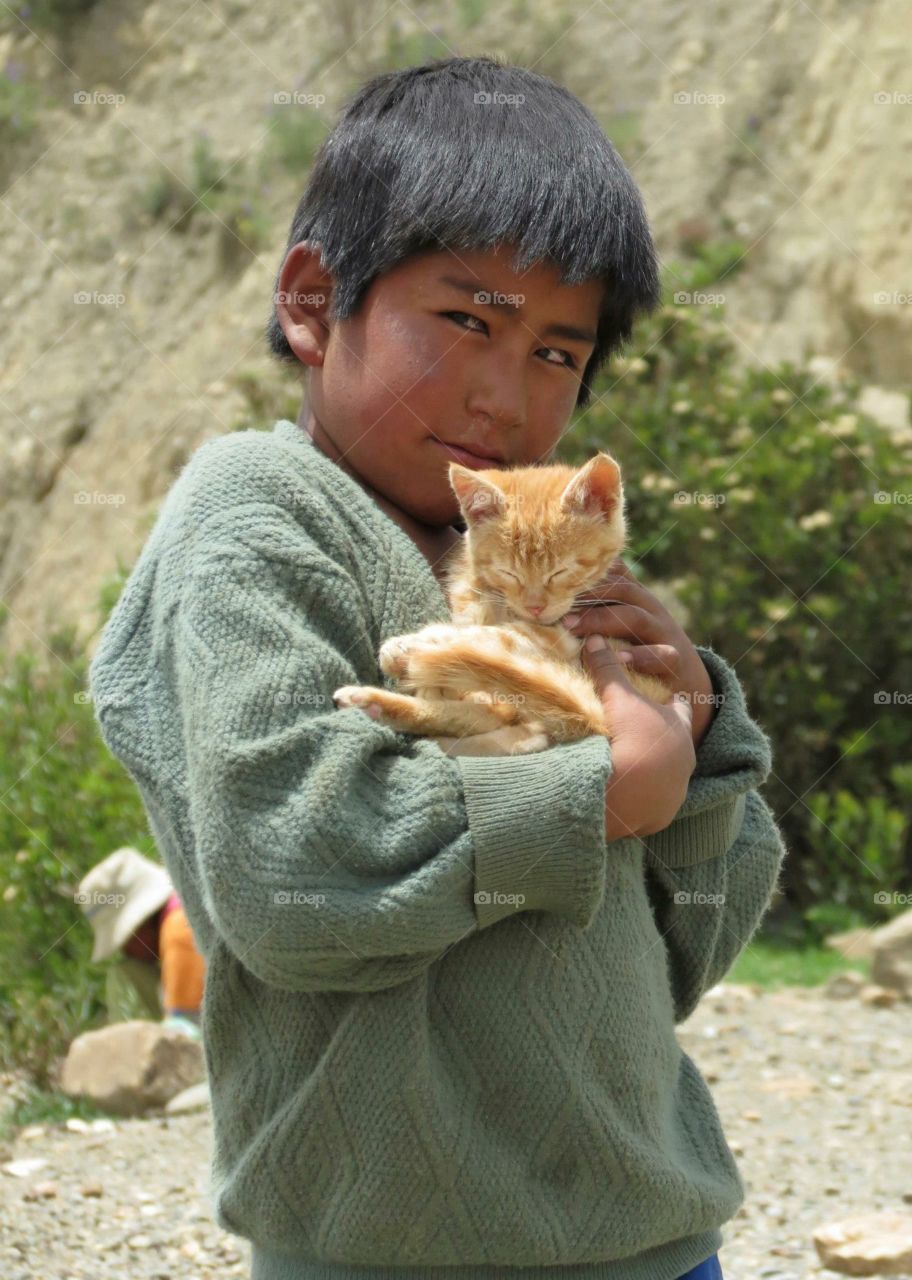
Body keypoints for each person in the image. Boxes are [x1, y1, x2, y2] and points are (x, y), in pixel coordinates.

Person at [88, 55, 787, 1280]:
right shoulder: (258, 518)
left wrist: (696, 739)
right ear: (313, 300)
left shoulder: (529, 562)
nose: (502, 392)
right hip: (386, 1254)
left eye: (559, 354)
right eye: (467, 319)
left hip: (656, 1241)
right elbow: (290, 879)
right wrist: (601, 790)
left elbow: (675, 959)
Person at [77, 847, 205, 1038]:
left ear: (139, 925)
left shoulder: (179, 931)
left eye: (123, 940)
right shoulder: (187, 904)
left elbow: (189, 1038)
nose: (125, 950)